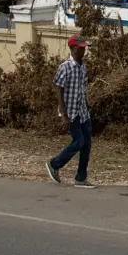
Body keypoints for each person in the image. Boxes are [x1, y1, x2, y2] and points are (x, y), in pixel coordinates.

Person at [46, 34, 95, 188]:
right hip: (71, 111)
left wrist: (86, 106)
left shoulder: (83, 67)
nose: (84, 51)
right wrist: (64, 114)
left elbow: (82, 89)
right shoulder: (65, 67)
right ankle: (54, 164)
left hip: (83, 112)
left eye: (85, 48)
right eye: (81, 48)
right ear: (73, 48)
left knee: (86, 145)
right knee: (78, 142)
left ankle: (81, 178)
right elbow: (58, 89)